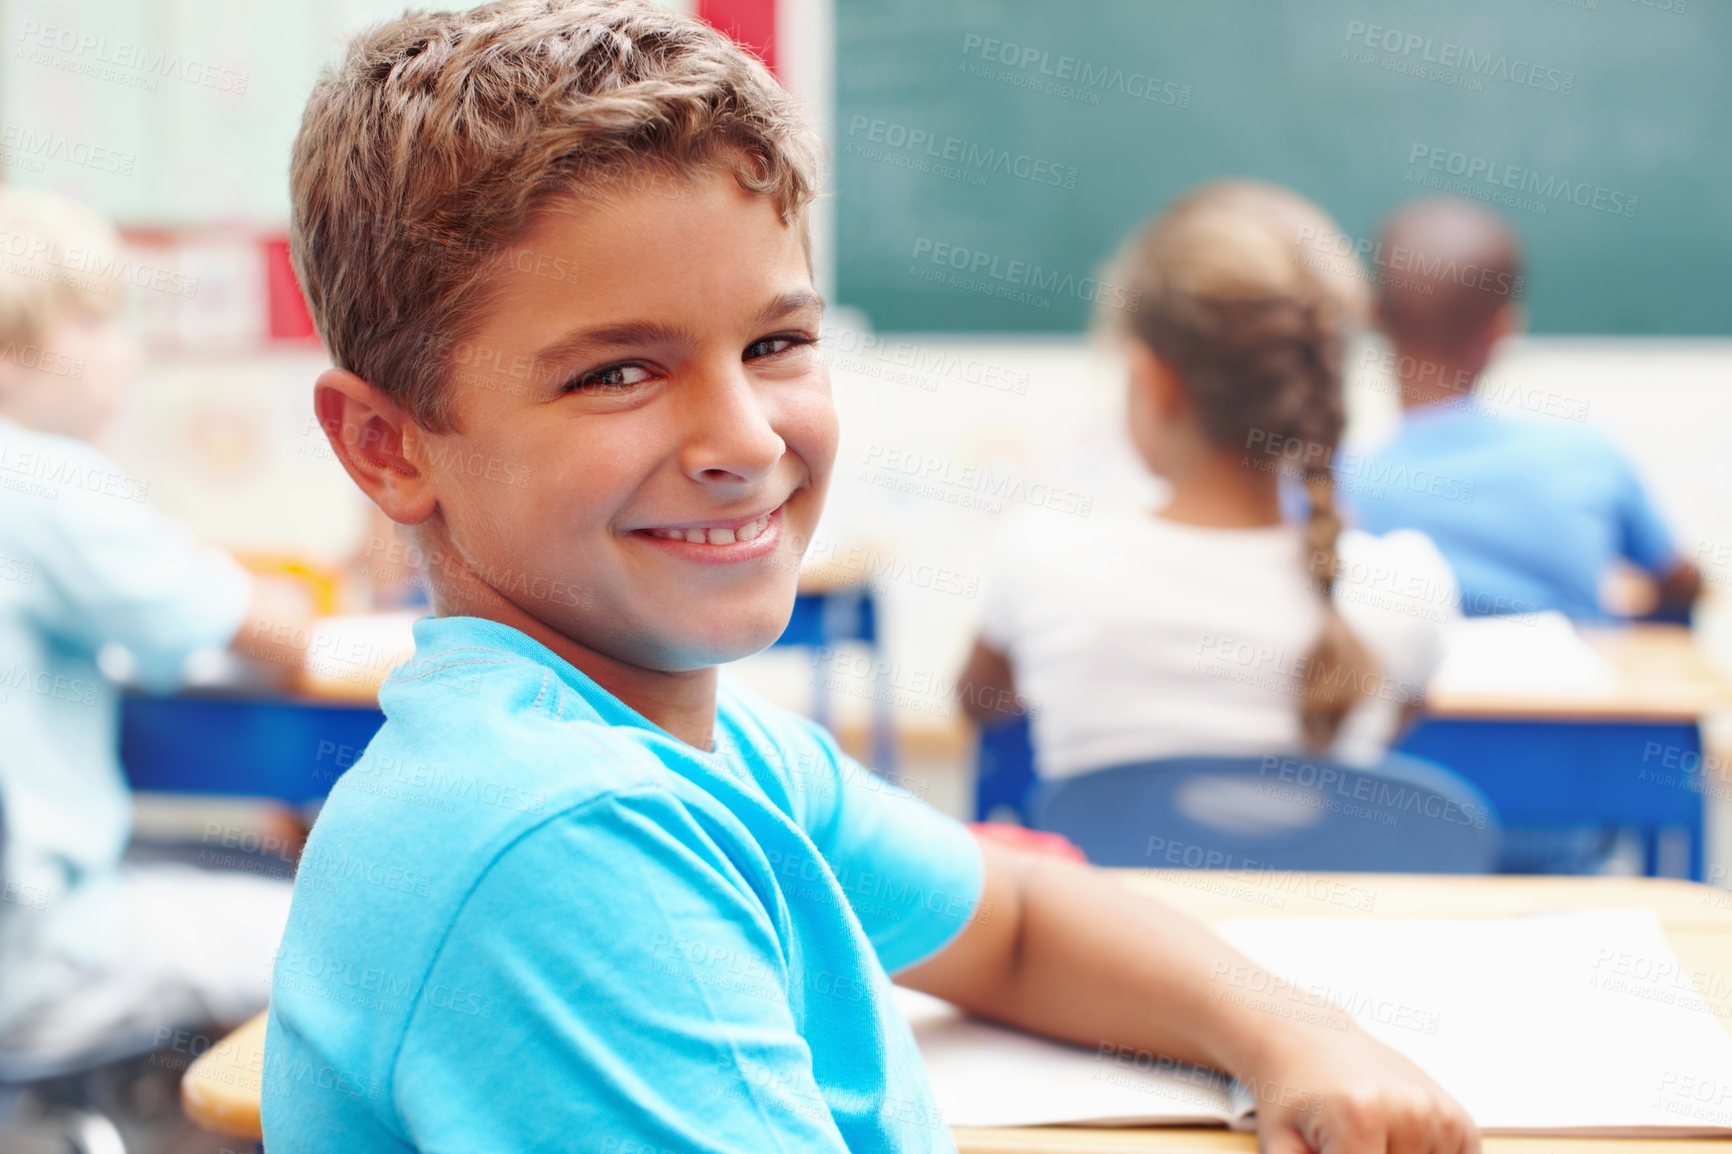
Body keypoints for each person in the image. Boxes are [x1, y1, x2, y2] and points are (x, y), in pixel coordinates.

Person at [263, 5, 1480, 1152]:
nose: (742, 439)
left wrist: (1294, 1027)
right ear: (390, 443)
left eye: (776, 343)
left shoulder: (709, 750)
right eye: (618, 373)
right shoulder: (561, 838)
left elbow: (1009, 921)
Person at [960, 182, 1456, 780]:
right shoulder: (1408, 589)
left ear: (1155, 381)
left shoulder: (1039, 560)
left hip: (1105, 879)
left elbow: (978, 705)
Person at [0, 187, 304, 1057]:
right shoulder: (48, 483)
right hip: (43, 961)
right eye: (92, 326)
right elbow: (273, 631)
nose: (125, 353)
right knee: (360, 949)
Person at [1346, 196, 1699, 621]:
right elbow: (1682, 585)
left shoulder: (1330, 488)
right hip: (1578, 684)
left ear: (1375, 315)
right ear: (1503, 328)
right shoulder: (1587, 456)